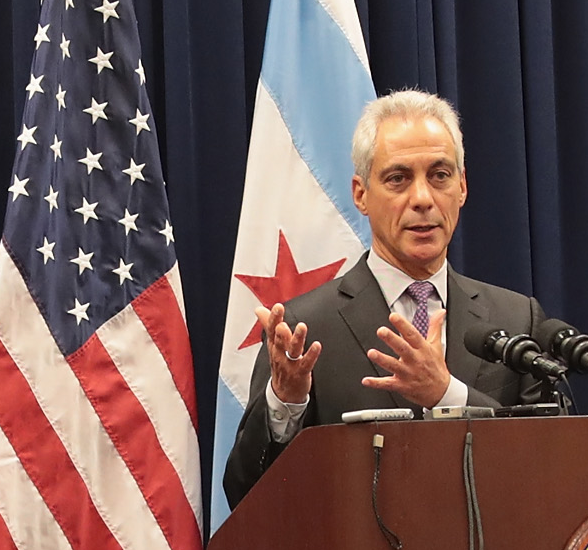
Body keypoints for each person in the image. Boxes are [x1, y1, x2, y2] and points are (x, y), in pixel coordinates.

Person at [223, 89, 554, 509]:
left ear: (463, 187)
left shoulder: (517, 318)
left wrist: (447, 395)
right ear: (360, 194)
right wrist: (286, 403)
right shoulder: (304, 329)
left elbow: (550, 470)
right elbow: (246, 495)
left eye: (439, 175)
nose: (422, 198)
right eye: (398, 179)